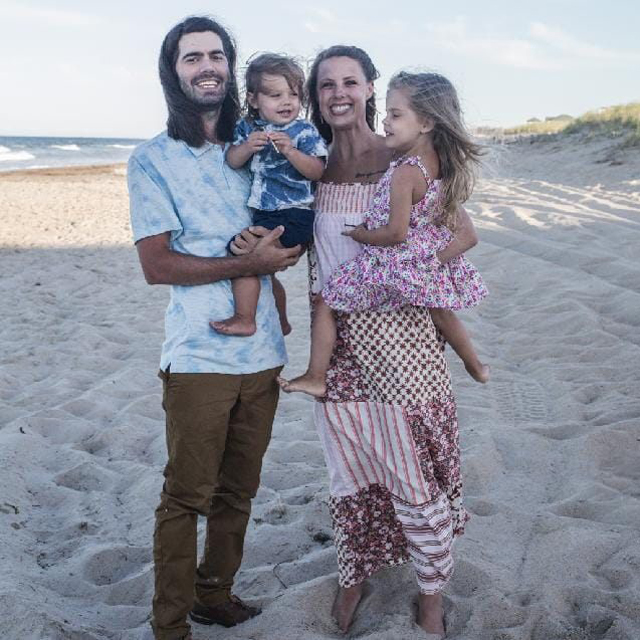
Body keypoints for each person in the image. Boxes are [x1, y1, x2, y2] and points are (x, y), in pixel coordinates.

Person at [233, 46, 480, 638]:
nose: (338, 93)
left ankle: (430, 593)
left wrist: (415, 283)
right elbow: (301, 246)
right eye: (325, 85)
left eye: (350, 81)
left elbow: (455, 234)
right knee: (349, 470)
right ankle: (355, 573)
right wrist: (254, 249)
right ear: (315, 97)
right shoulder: (308, 166)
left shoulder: (403, 160)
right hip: (334, 345)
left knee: (413, 472)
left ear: (370, 87)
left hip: (401, 342)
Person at [127, 16, 299, 640]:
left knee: (240, 490)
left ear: (232, 66)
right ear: (173, 72)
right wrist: (247, 265)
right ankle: (171, 624)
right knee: (186, 496)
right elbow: (156, 265)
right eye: (191, 57)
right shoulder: (152, 159)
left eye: (216, 55)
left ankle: (214, 594)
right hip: (199, 352)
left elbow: (290, 216)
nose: (206, 66)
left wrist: (276, 267)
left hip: (265, 351)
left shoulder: (262, 142)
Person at [279, 71, 489, 398]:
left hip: (391, 262)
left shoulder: (405, 171)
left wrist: (364, 235)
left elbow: (394, 232)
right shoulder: (439, 166)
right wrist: (431, 261)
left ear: (426, 123)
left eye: (395, 114)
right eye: (386, 113)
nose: (386, 121)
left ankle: (315, 375)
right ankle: (475, 365)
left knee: (326, 300)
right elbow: (469, 236)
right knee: (441, 312)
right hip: (420, 261)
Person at [211, 53, 327, 337]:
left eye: (293, 94)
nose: (287, 101)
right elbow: (233, 161)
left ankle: (245, 317)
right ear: (253, 100)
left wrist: (291, 152)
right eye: (275, 95)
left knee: (244, 255)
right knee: (263, 268)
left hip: (296, 213)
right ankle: (281, 320)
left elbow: (317, 171)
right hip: (264, 211)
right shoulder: (247, 128)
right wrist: (247, 147)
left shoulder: (303, 131)